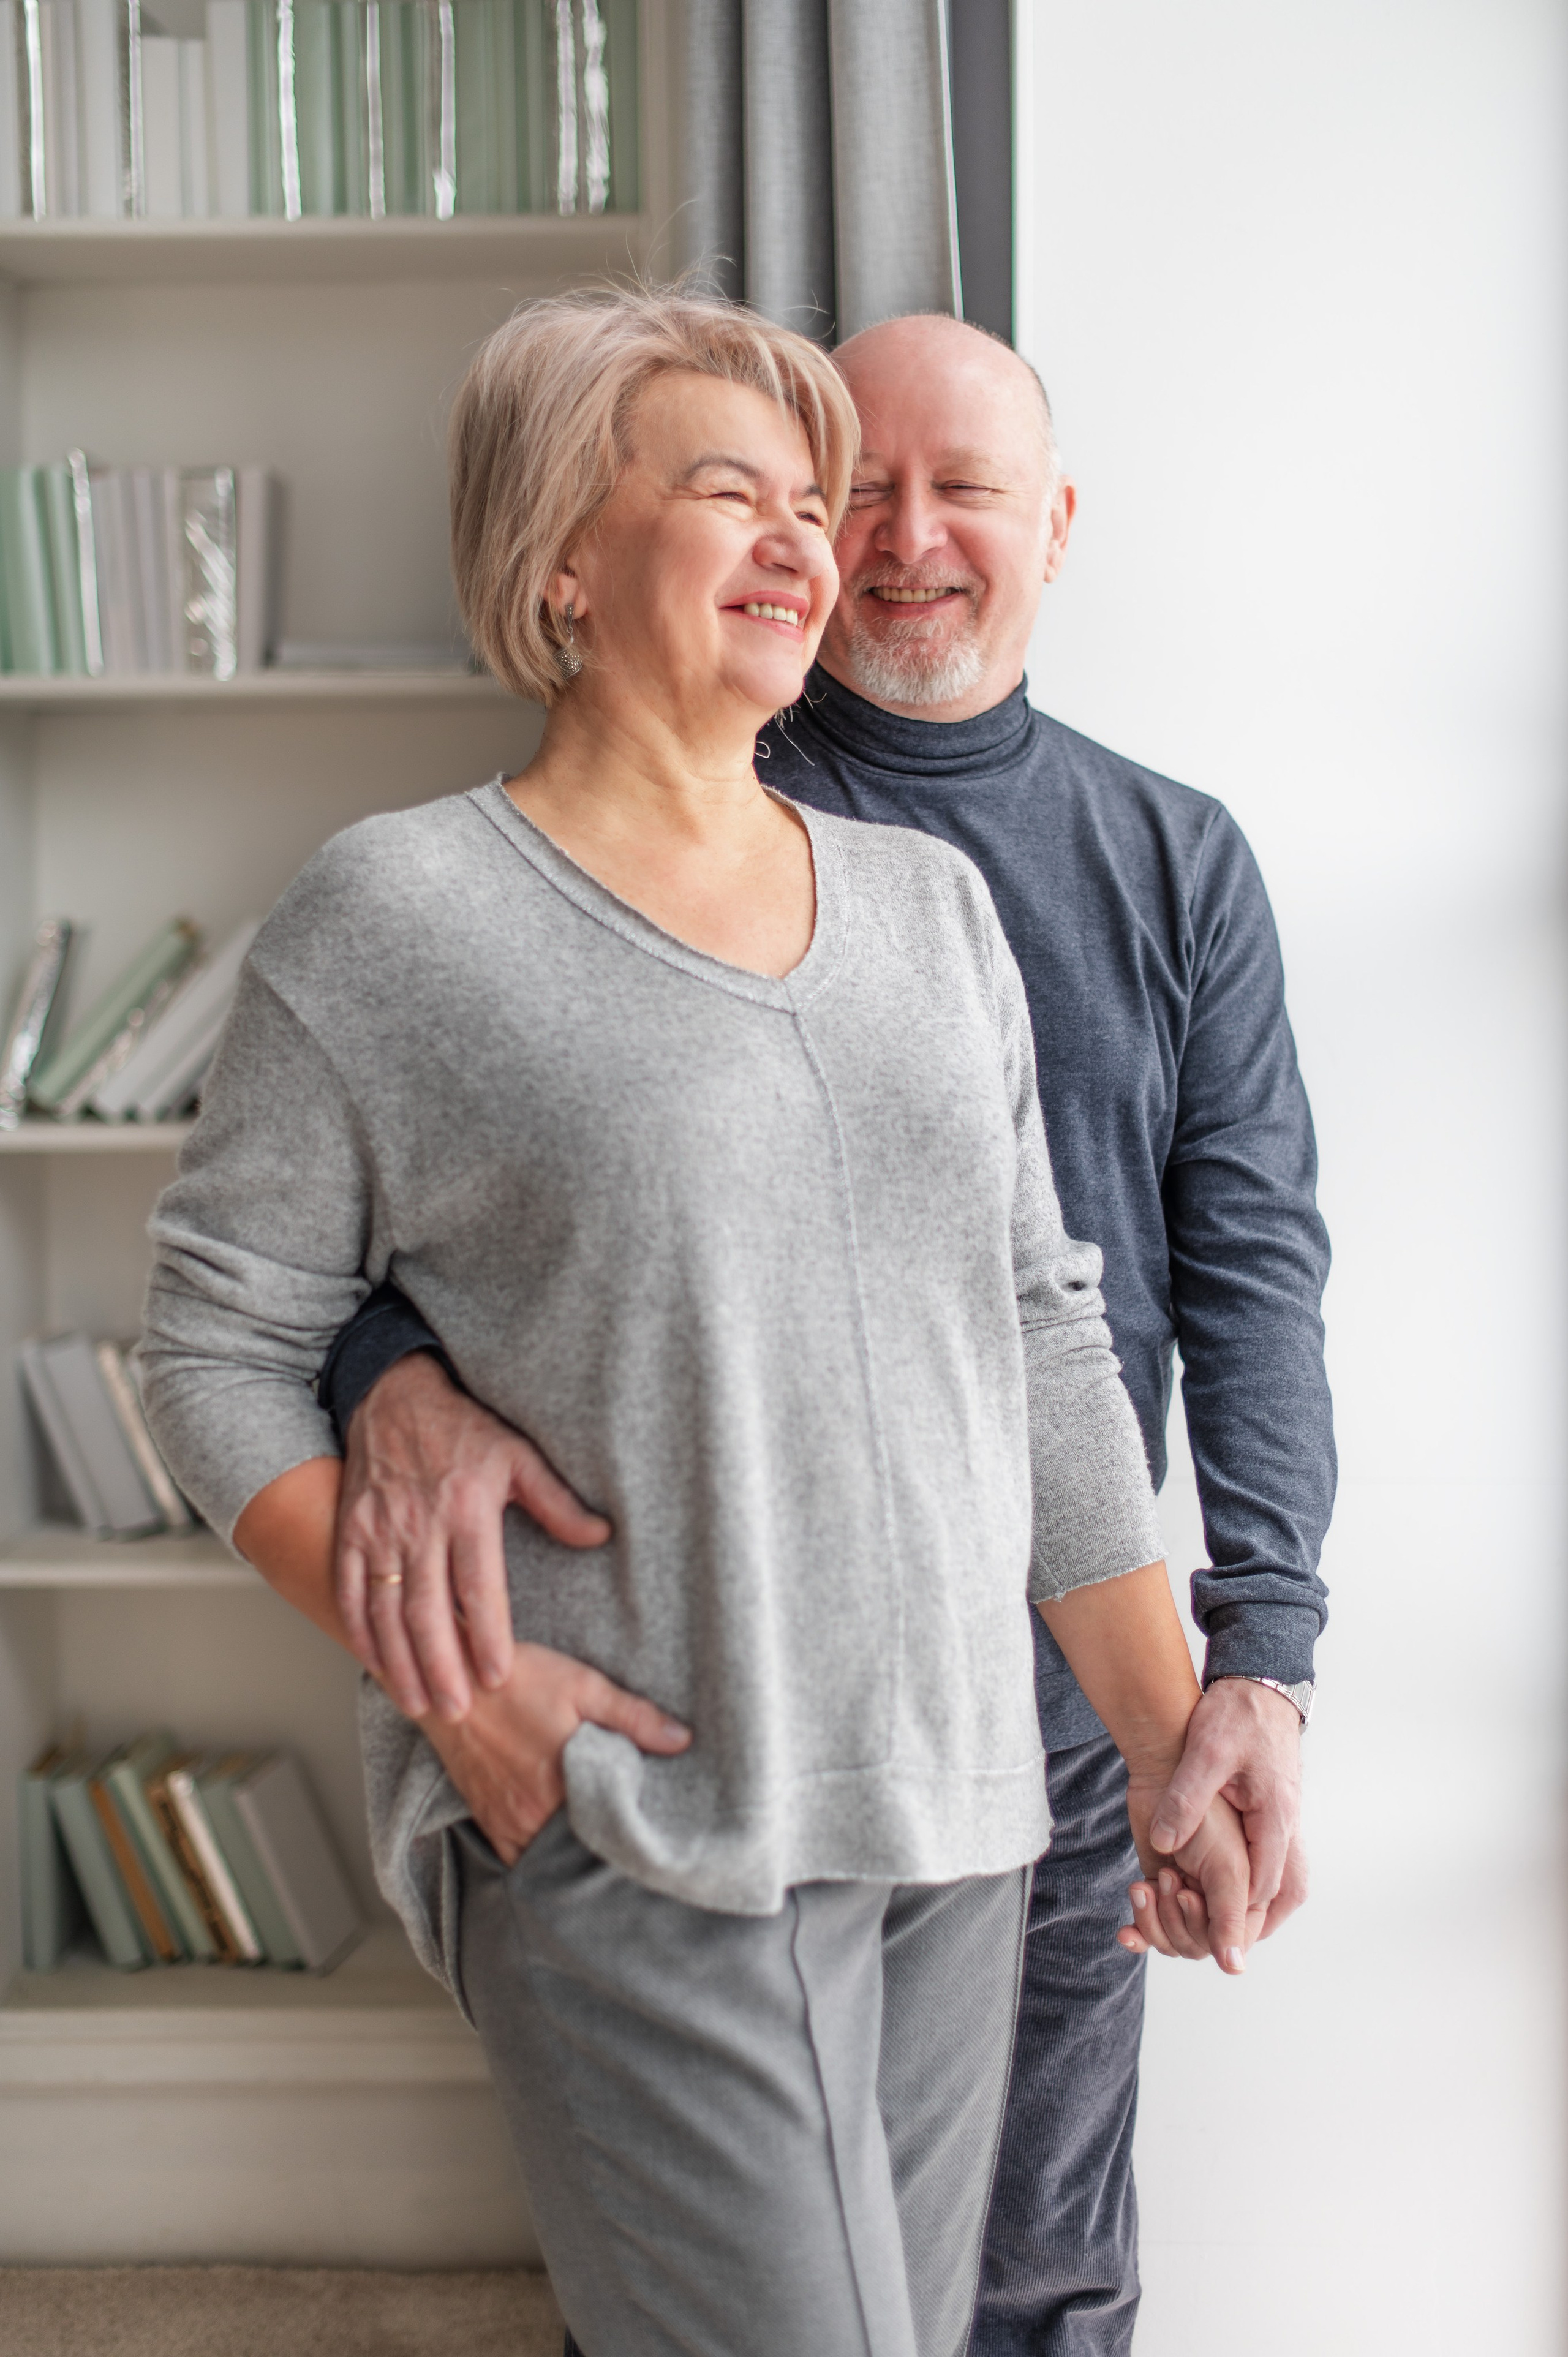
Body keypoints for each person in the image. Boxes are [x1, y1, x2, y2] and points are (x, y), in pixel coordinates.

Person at [139, 287, 1254, 2357]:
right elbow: (213, 1346)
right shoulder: (400, 913)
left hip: (959, 1813)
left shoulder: (931, 911)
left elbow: (1042, 1337)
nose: (804, 541)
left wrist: (1176, 1732)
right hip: (642, 1816)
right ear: (563, 551)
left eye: (805, 504)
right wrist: (455, 1684)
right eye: (726, 490)